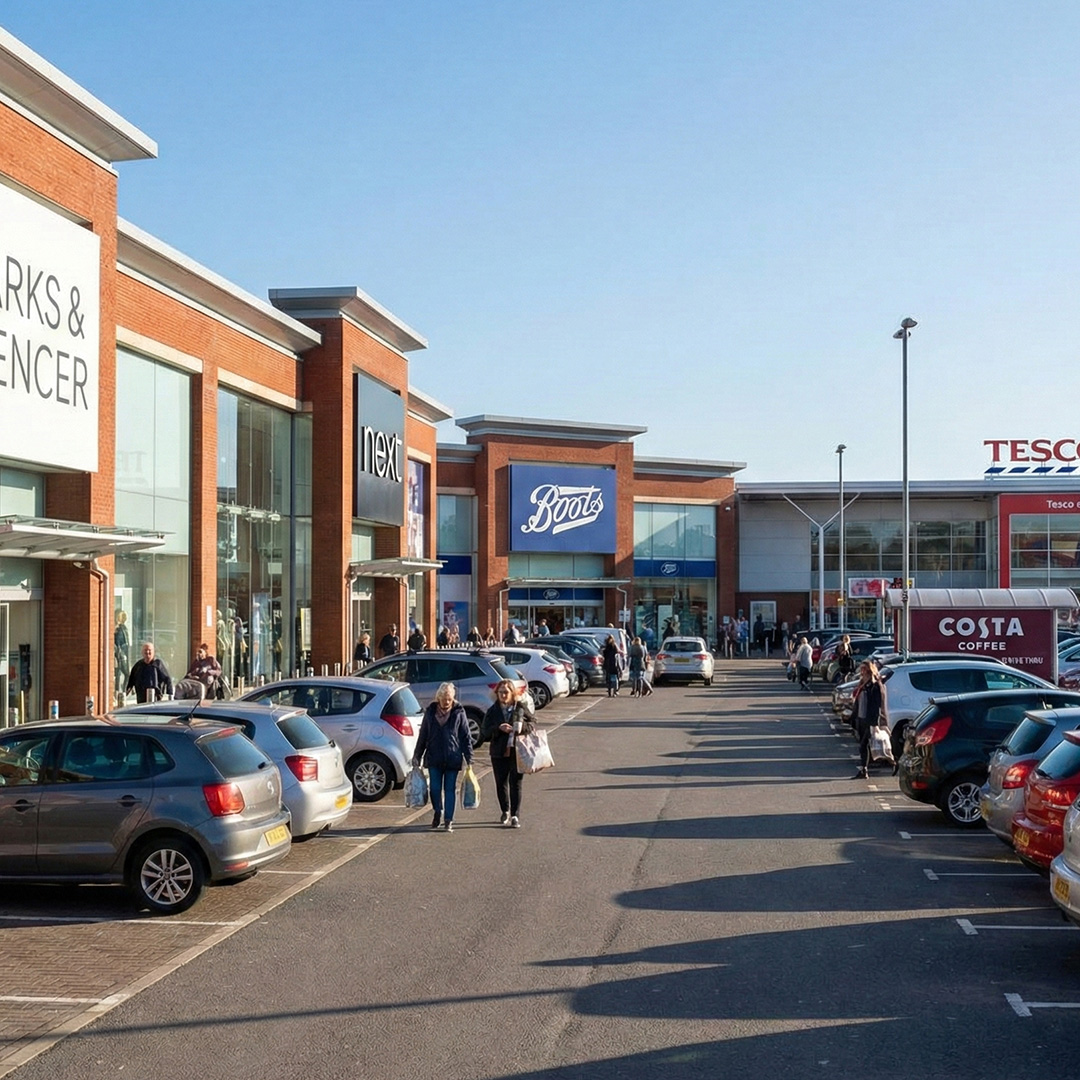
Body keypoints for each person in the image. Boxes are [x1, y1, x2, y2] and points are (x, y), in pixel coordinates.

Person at [412, 682, 474, 833]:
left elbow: (466, 737)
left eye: (450, 699)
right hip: (434, 757)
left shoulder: (459, 712)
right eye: (444, 698)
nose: (447, 702)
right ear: (438, 697)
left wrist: (469, 758)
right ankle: (437, 811)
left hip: (452, 757)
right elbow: (423, 736)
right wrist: (417, 755)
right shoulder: (430, 713)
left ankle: (448, 820)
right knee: (434, 788)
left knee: (450, 789)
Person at [480, 679, 535, 828]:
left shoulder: (520, 707)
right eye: (500, 692)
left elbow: (533, 722)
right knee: (501, 783)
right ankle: (505, 810)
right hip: (498, 751)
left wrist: (522, 727)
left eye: (506, 692)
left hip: (517, 751)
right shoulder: (493, 710)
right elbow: (484, 731)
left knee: (516, 783)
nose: (503, 695)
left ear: (512, 693)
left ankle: (515, 815)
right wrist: (498, 728)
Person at [851, 661, 887, 778]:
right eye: (861, 670)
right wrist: (854, 717)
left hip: (869, 720)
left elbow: (877, 705)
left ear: (870, 671)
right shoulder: (862, 684)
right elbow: (857, 701)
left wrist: (875, 722)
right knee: (864, 745)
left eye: (864, 670)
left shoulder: (875, 686)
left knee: (863, 745)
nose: (862, 672)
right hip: (861, 718)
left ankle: (892, 762)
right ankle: (863, 770)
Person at [113, 611, 130, 694]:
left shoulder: (123, 628)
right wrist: (118, 651)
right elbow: (117, 642)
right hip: (120, 653)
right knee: (119, 673)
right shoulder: (118, 629)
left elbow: (126, 642)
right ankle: (119, 691)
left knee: (123, 673)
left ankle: (123, 690)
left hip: (123, 652)